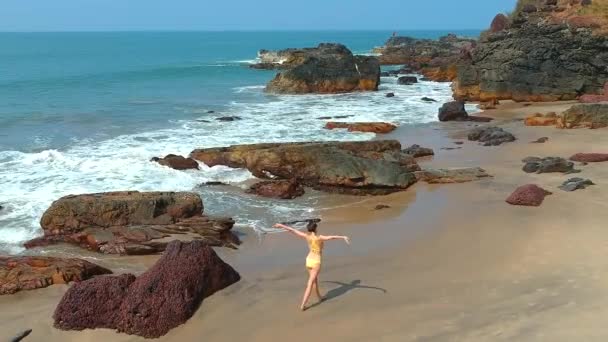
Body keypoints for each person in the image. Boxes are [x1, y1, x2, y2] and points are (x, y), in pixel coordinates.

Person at [273, 222, 350, 311]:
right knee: (310, 283)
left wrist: (280, 225)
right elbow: (331, 237)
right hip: (316, 262)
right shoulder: (319, 238)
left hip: (308, 260)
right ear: (316, 229)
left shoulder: (307, 236)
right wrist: (343, 237)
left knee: (314, 280)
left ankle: (319, 297)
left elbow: (292, 230)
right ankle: (303, 305)